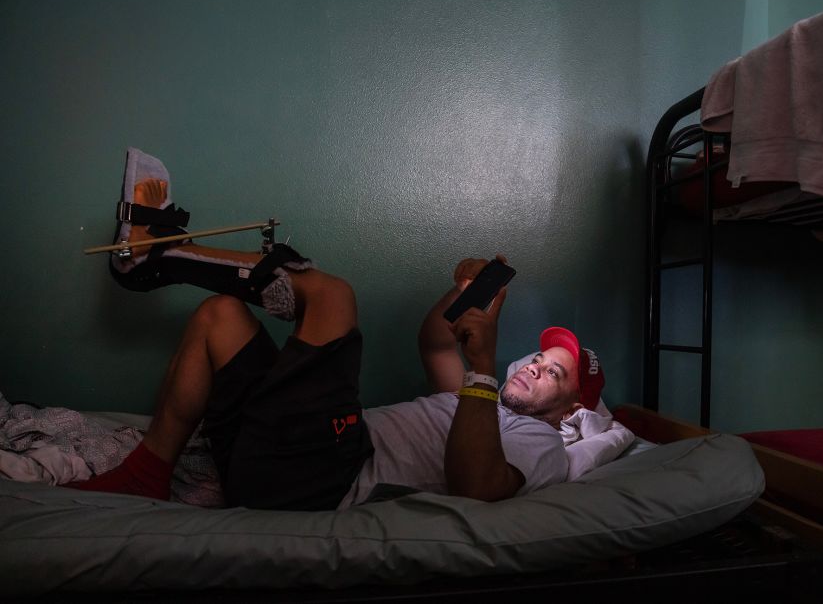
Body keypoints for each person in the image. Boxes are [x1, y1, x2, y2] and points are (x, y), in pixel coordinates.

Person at [67, 158, 604, 510]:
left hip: (323, 478)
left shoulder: (542, 445)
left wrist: (484, 369)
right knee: (221, 316)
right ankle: (146, 474)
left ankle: (158, 253)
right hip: (273, 459)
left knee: (333, 297)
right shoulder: (471, 404)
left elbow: (478, 487)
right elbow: (436, 342)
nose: (534, 364)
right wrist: (464, 292)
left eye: (554, 372)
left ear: (572, 407)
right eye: (538, 355)